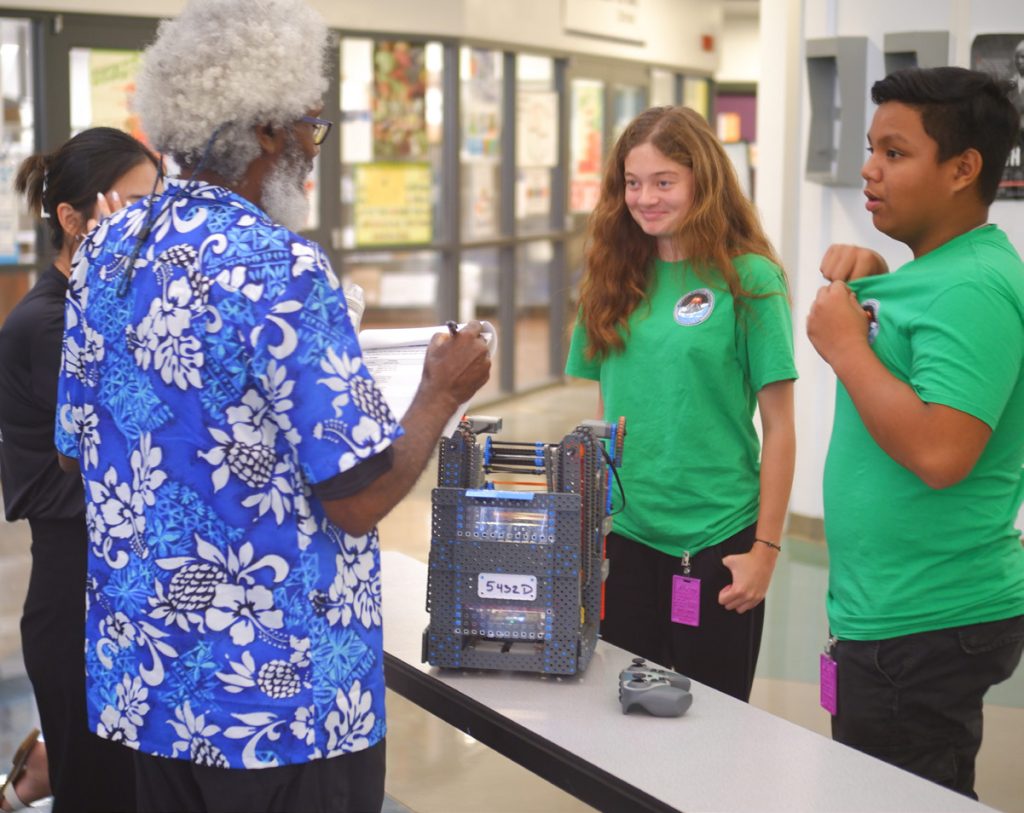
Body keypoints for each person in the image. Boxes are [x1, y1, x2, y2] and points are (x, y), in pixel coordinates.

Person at [52, 1, 490, 811]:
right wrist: (438, 395)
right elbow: (357, 499)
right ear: (263, 129)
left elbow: (81, 444)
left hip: (154, 690)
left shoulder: (108, 250)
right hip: (278, 708)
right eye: (309, 130)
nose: (311, 152)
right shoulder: (282, 267)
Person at [806, 66, 1024, 799]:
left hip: (922, 621)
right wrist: (874, 287)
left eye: (894, 153)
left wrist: (845, 346)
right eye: (872, 148)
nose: (869, 170)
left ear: (963, 168)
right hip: (898, 613)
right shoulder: (937, 272)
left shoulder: (971, 286)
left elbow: (941, 451)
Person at [564, 106, 797, 702]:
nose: (645, 198)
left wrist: (765, 551)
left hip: (719, 539)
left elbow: (780, 427)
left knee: (713, 727)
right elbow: (603, 408)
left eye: (664, 181)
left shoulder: (750, 280)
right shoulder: (613, 277)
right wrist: (588, 526)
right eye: (633, 182)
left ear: (703, 180)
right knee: (621, 719)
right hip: (629, 537)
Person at [0, 126, 160, 812]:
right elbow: (113, 440)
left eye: (156, 206)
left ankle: (35, 768)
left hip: (123, 597)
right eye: (128, 206)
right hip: (78, 605)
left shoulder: (105, 305)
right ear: (72, 218)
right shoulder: (50, 323)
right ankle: (37, 772)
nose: (148, 225)